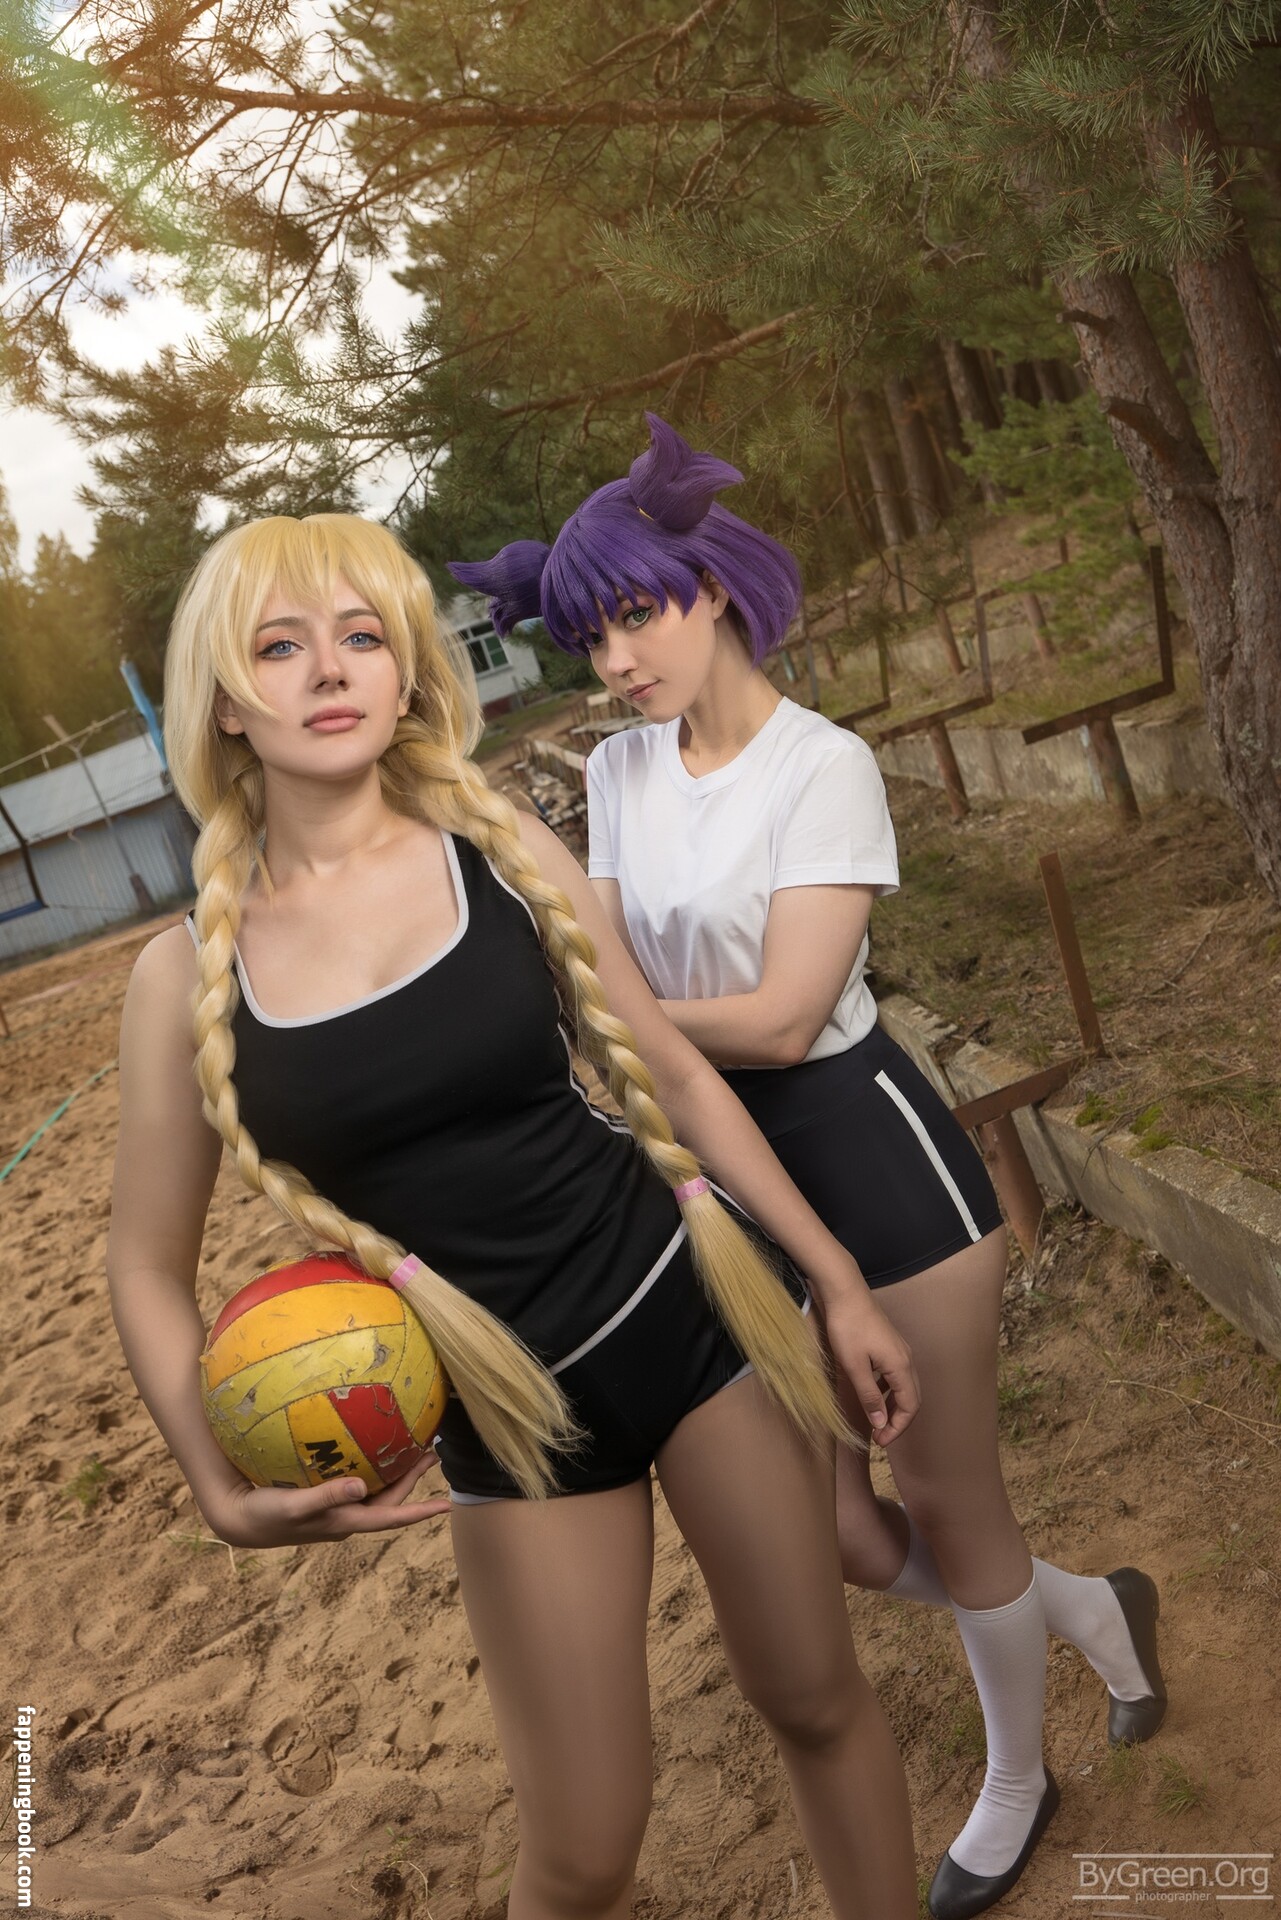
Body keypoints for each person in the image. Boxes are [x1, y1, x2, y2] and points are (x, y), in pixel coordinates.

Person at [106, 511, 928, 1920]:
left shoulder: (496, 851)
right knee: (585, 1854)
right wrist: (213, 1480)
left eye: (363, 636)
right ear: (226, 702)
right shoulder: (182, 977)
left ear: (407, 671)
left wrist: (836, 1279)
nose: (330, 670)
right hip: (500, 1411)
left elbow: (676, 1074)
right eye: (281, 647)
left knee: (813, 1698)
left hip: (696, 1317)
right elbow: (141, 1264)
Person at [450, 415, 1168, 1920]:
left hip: (865, 1146)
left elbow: (782, 1016)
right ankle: (1092, 1611)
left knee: (948, 1498)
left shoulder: (822, 764)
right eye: (589, 639)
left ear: (709, 586)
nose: (618, 660)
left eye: (636, 615)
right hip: (726, 1183)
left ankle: (1015, 1779)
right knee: (838, 1532)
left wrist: (621, 1026)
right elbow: (594, 958)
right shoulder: (622, 770)